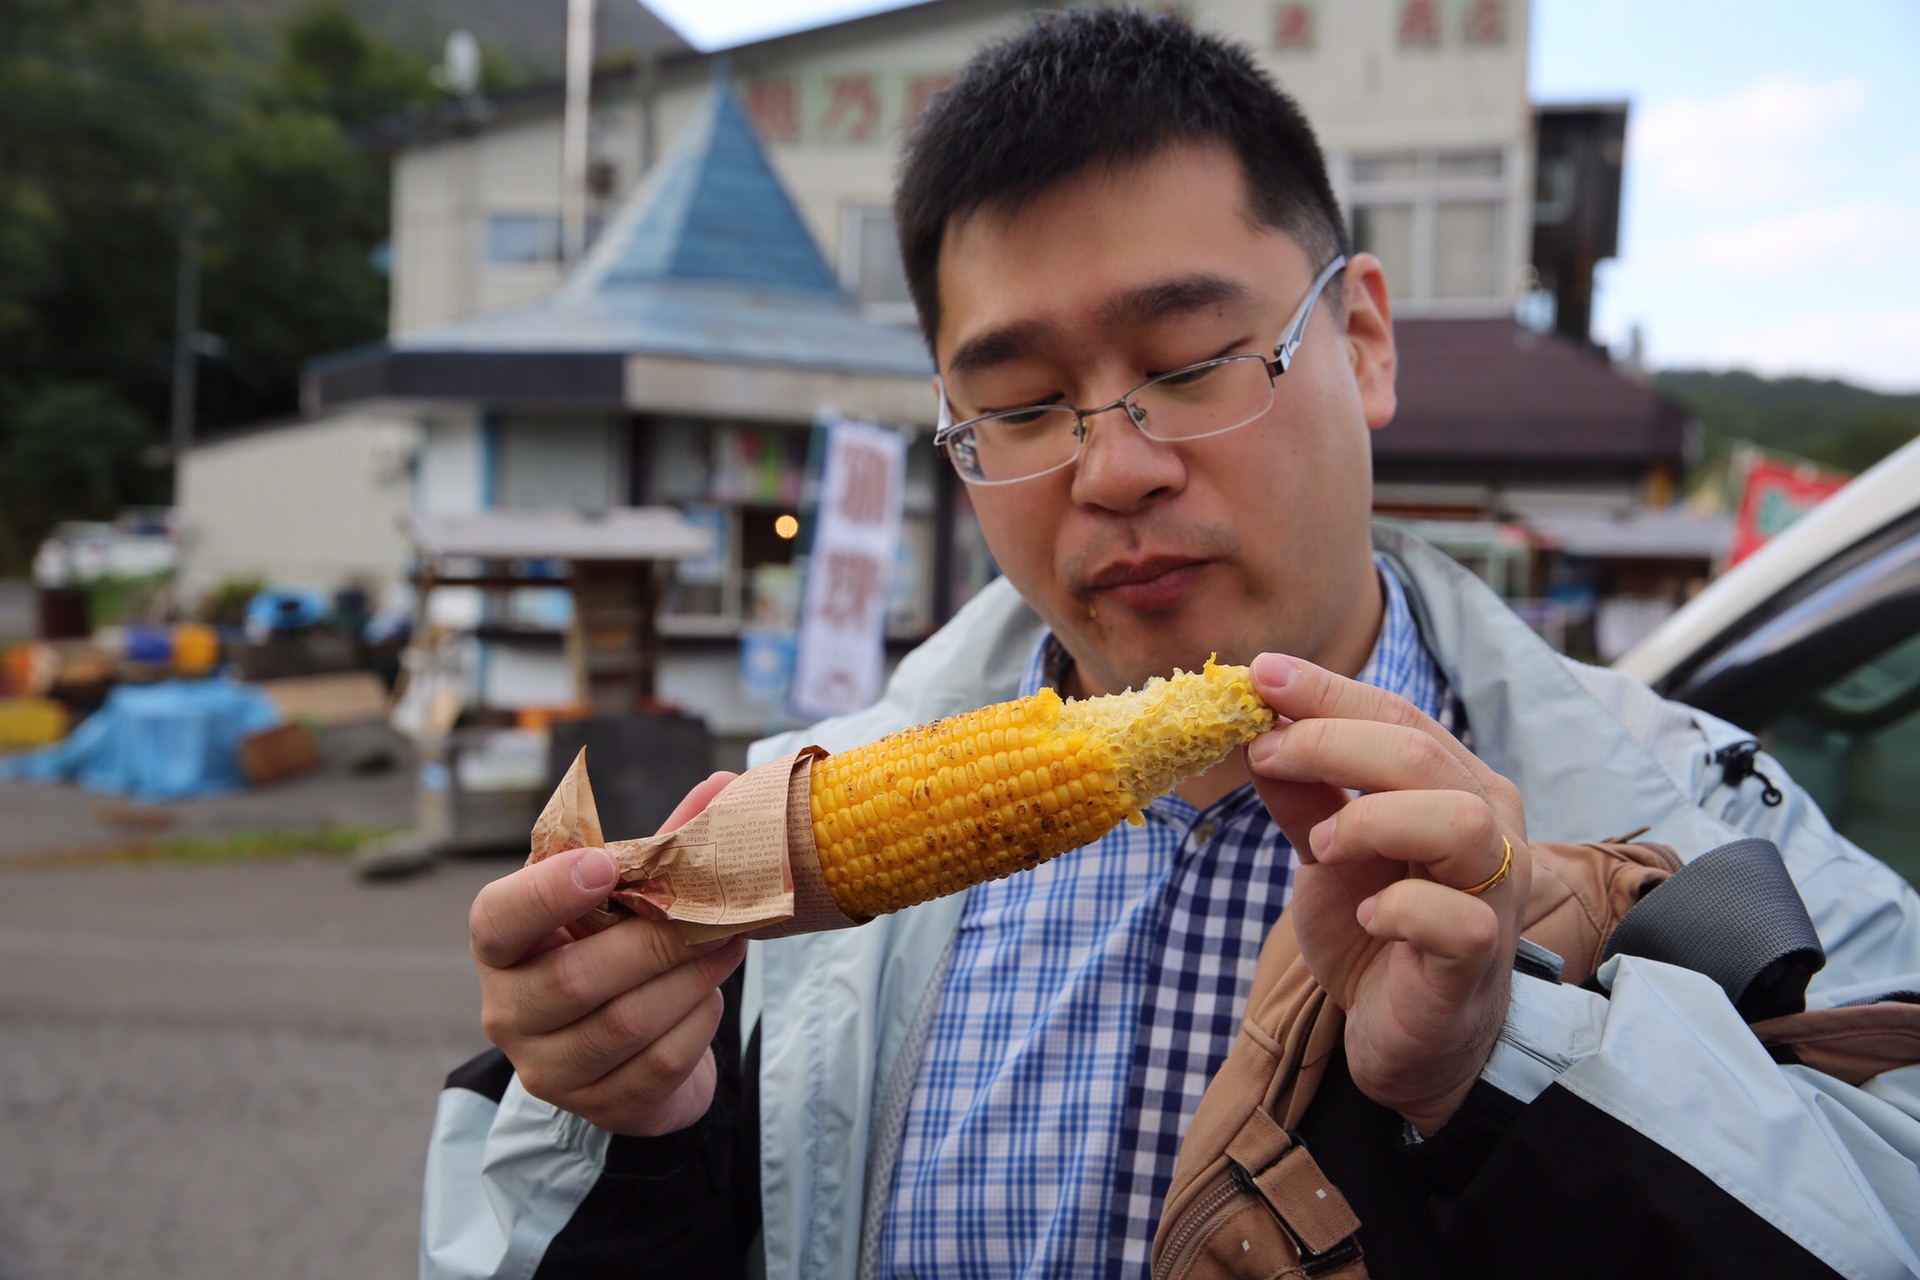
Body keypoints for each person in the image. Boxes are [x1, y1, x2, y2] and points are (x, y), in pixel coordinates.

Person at [423, 12, 1920, 1279]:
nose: (1115, 466)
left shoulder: (1709, 835)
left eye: (1192, 363)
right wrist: (611, 1130)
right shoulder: (766, 849)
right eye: (1018, 405)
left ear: (1367, 343)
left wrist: (1505, 1059)